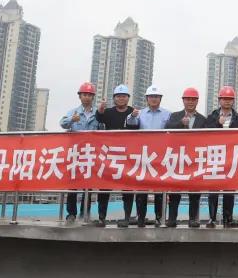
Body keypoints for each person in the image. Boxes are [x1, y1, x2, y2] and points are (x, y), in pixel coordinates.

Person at [124, 84, 170, 227]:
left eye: (156, 97)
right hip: (143, 156)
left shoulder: (167, 114)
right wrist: (132, 116)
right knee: (141, 188)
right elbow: (130, 123)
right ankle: (141, 218)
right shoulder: (140, 113)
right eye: (151, 97)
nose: (154, 99)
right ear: (147, 98)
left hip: (161, 156)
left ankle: (159, 218)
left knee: (160, 189)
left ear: (160, 98)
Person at [93, 84, 138, 227]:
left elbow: (139, 127)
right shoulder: (108, 112)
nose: (121, 98)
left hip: (127, 155)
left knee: (128, 188)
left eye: (124, 96)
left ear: (128, 98)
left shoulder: (133, 112)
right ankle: (101, 217)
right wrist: (100, 109)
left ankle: (127, 217)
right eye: (118, 96)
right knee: (104, 187)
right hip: (110, 155)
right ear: (114, 98)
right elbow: (99, 118)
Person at [163, 87, 208, 227]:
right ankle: (172, 219)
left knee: (194, 191)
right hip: (178, 157)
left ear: (197, 101)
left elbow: (207, 138)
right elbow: (167, 128)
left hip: (195, 159)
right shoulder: (175, 116)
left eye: (193, 99)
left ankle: (193, 219)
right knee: (175, 190)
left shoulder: (203, 119)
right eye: (188, 99)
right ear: (183, 100)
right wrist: (181, 123)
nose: (190, 102)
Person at [58, 82, 100, 222]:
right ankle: (71, 213)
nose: (86, 97)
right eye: (84, 94)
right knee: (73, 184)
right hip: (75, 153)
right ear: (80, 96)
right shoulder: (73, 112)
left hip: (91, 153)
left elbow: (103, 129)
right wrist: (72, 120)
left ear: (93, 97)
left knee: (88, 184)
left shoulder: (97, 113)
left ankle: (85, 212)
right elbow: (62, 123)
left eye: (89, 95)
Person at [205, 86, 238, 228]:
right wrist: (218, 123)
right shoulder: (212, 116)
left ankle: (228, 218)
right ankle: (212, 218)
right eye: (224, 99)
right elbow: (206, 132)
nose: (227, 101)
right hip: (215, 155)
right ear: (219, 100)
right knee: (213, 189)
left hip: (231, 156)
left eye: (230, 99)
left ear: (233, 101)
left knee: (229, 189)